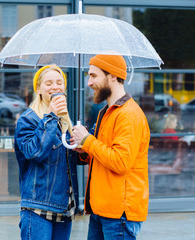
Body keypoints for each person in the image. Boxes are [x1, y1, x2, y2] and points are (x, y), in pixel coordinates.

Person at [71, 54, 150, 240]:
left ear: (113, 75)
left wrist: (88, 141)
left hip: (119, 213)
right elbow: (103, 154)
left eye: (94, 76)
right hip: (101, 209)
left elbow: (120, 162)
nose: (89, 83)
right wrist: (84, 150)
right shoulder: (106, 112)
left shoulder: (128, 115)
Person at [14, 65, 79, 240]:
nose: (55, 87)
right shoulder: (28, 119)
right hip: (38, 206)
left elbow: (69, 161)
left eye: (59, 82)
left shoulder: (65, 121)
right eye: (48, 83)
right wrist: (50, 116)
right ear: (38, 89)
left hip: (64, 205)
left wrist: (82, 144)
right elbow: (35, 153)